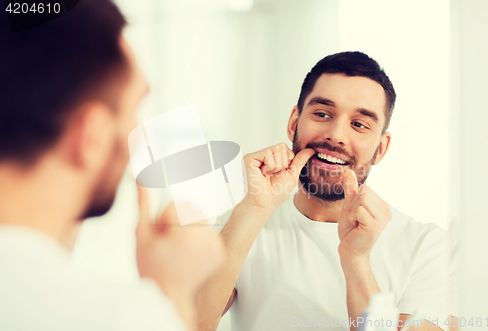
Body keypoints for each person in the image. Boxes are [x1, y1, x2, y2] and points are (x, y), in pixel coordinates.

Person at [0, 1, 223, 330]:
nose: (137, 134)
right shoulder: (118, 318)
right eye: (133, 109)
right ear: (93, 137)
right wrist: (173, 294)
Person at [195, 52, 451, 331]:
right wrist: (253, 210)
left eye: (359, 124)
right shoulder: (239, 226)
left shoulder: (427, 246)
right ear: (294, 122)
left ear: (381, 148)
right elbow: (190, 322)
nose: (336, 135)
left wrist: (357, 262)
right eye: (322, 114)